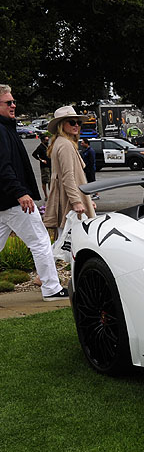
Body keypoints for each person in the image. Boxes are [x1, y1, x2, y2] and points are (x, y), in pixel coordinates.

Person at [0, 85, 68, 300]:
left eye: (13, 101)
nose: (13, 105)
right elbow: (3, 166)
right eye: (8, 102)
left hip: (5, 201)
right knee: (40, 242)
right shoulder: (1, 131)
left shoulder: (6, 128)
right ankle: (51, 288)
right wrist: (20, 192)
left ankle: (50, 287)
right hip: (12, 200)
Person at [44, 105, 96, 239]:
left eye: (78, 122)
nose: (76, 125)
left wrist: (87, 200)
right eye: (72, 122)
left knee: (66, 240)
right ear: (61, 125)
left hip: (68, 197)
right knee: (70, 241)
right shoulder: (65, 145)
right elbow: (68, 177)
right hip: (69, 200)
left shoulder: (61, 142)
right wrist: (77, 202)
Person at [31, 133, 50, 202]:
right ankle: (46, 195)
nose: (47, 141)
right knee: (45, 181)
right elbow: (34, 154)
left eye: (48, 139)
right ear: (42, 140)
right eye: (46, 140)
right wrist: (41, 160)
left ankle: (52, 195)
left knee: (51, 181)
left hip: (51, 165)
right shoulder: (40, 147)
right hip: (44, 167)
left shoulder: (48, 146)